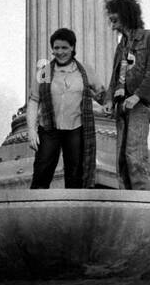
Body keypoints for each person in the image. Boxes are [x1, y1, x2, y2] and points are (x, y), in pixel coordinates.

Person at [27, 28, 105, 189]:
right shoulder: (45, 72)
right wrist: (31, 130)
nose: (60, 52)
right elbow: (34, 101)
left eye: (64, 48)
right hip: (49, 128)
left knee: (75, 173)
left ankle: (74, 209)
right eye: (56, 48)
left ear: (73, 48)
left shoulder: (84, 71)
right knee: (42, 170)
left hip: (75, 128)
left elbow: (102, 94)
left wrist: (111, 103)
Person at [105, 0, 150, 190]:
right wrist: (108, 100)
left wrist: (137, 96)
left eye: (114, 20)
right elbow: (114, 77)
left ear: (126, 16)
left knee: (135, 154)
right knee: (122, 159)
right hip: (121, 105)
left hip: (139, 104)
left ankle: (148, 201)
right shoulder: (121, 47)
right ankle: (128, 198)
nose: (112, 27)